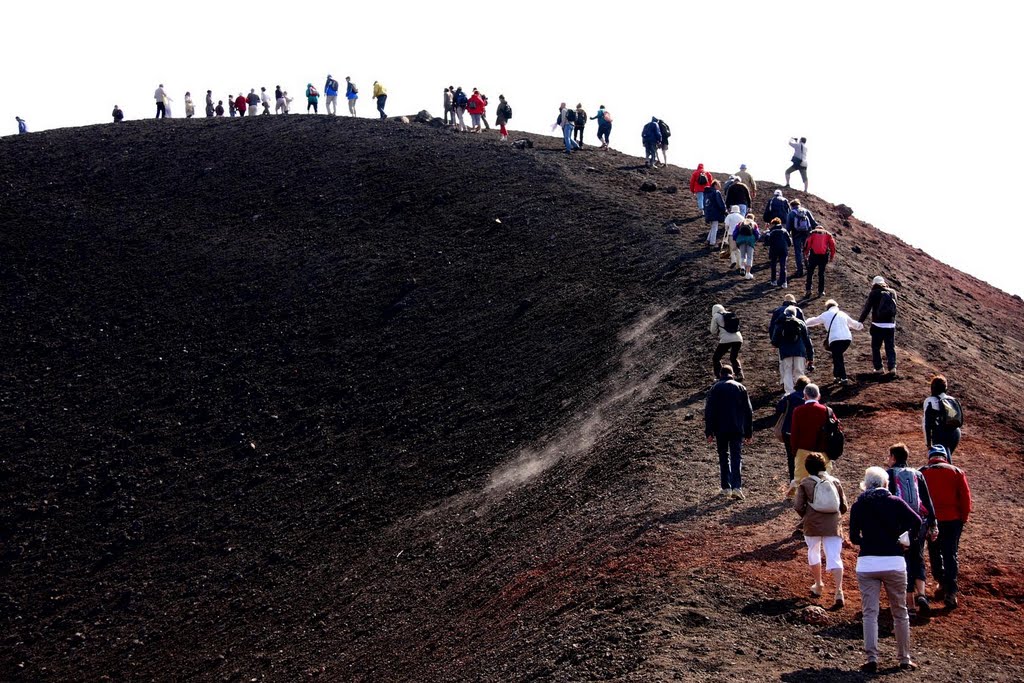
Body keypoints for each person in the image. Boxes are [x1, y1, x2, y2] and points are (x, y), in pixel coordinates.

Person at [849, 466, 921, 673]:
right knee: (900, 612)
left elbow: (854, 538)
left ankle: (872, 658)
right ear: (886, 484)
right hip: (894, 562)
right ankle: (904, 658)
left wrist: (868, 541)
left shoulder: (859, 505)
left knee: (869, 613)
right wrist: (904, 539)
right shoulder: (896, 502)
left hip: (867, 563)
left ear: (866, 484)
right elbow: (916, 521)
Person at [886, 443, 937, 618]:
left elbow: (889, 501)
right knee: (918, 557)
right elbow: (927, 501)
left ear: (893, 457)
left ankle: (910, 605)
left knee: (903, 560)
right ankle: (922, 594)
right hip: (919, 522)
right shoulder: (918, 474)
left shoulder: (889, 474)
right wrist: (933, 524)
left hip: (899, 524)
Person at [920, 444, 972, 609]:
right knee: (951, 553)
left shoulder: (922, 472)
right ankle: (951, 591)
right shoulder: (957, 472)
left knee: (934, 551)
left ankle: (941, 580)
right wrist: (963, 517)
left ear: (930, 457)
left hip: (931, 520)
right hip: (953, 520)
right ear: (945, 457)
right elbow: (965, 497)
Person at [795, 452, 849, 608]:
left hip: (812, 524)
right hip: (832, 525)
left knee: (814, 551)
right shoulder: (835, 482)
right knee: (834, 556)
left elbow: (798, 506)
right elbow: (843, 506)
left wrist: (807, 515)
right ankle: (839, 591)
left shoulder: (805, 483)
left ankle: (818, 585)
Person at [704, 365, 753, 499]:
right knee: (736, 456)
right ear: (732, 374)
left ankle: (726, 487)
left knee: (723, 456)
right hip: (737, 428)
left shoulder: (715, 388)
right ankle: (737, 487)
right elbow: (748, 411)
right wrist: (748, 432)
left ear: (721, 374)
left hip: (720, 429)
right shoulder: (741, 388)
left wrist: (709, 431)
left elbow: (709, 411)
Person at [804, 299, 864, 384]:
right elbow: (854, 324)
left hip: (835, 339)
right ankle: (837, 376)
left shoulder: (826, 314)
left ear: (827, 307)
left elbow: (814, 321)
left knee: (838, 357)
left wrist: (803, 323)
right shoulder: (843, 314)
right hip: (847, 339)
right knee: (837, 356)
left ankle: (843, 378)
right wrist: (860, 325)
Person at [790, 384, 836, 482]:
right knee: (824, 481)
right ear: (818, 396)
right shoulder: (827, 411)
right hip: (823, 452)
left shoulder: (798, 411)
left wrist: (794, 452)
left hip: (803, 451)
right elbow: (836, 430)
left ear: (805, 396)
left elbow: (794, 433)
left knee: (801, 482)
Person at [858, 275, 899, 376]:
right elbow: (895, 308)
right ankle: (892, 367)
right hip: (890, 325)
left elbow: (867, 308)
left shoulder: (874, 293)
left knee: (876, 347)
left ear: (874, 284)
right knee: (890, 347)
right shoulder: (892, 292)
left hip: (877, 324)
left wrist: (860, 321)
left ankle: (879, 368)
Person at [772, 306, 814, 395]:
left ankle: (789, 393)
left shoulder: (780, 323)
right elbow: (807, 340)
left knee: (787, 372)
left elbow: (775, 341)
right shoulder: (801, 323)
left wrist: (780, 345)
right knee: (799, 371)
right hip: (800, 351)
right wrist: (810, 357)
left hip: (785, 352)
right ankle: (801, 392)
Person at [923, 375, 963, 457]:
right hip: (956, 432)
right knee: (947, 457)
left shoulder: (930, 400)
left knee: (941, 459)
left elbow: (927, 424)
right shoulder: (952, 399)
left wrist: (928, 444)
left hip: (941, 434)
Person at [710, 304, 744, 381]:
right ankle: (739, 374)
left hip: (726, 340)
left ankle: (720, 376)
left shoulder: (716, 316)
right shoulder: (730, 314)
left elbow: (713, 331)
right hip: (738, 338)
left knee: (716, 358)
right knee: (733, 358)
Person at [786, 199, 818, 278]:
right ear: (799, 204)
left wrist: (787, 235)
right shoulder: (806, 211)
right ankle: (809, 266)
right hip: (807, 233)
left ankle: (800, 270)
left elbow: (788, 227)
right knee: (807, 250)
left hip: (796, 234)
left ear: (792, 206)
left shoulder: (791, 213)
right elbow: (813, 222)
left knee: (798, 252)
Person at [803, 224, 836, 298]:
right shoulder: (828, 234)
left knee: (810, 273)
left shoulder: (813, 233)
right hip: (823, 257)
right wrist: (832, 256)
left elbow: (807, 243)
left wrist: (806, 254)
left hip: (813, 256)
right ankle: (820, 291)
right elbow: (832, 246)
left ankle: (808, 290)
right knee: (821, 274)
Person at [766, 218, 793, 287]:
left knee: (773, 265)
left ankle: (773, 281)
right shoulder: (784, 231)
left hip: (774, 250)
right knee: (783, 266)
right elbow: (789, 242)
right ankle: (784, 282)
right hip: (783, 250)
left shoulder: (771, 231)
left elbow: (767, 242)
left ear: (773, 224)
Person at [703, 180, 727, 247]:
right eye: (719, 185)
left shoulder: (706, 193)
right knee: (715, 227)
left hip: (708, 212)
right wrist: (724, 210)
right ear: (715, 185)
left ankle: (708, 240)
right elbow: (720, 203)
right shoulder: (716, 192)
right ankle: (712, 242)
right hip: (715, 212)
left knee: (713, 226)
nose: (719, 187)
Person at [722, 205, 745, 270]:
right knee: (739, 249)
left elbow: (726, 225)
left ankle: (734, 260)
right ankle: (739, 264)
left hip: (731, 234)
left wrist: (726, 230)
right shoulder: (741, 217)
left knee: (732, 249)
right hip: (739, 235)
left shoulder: (729, 216)